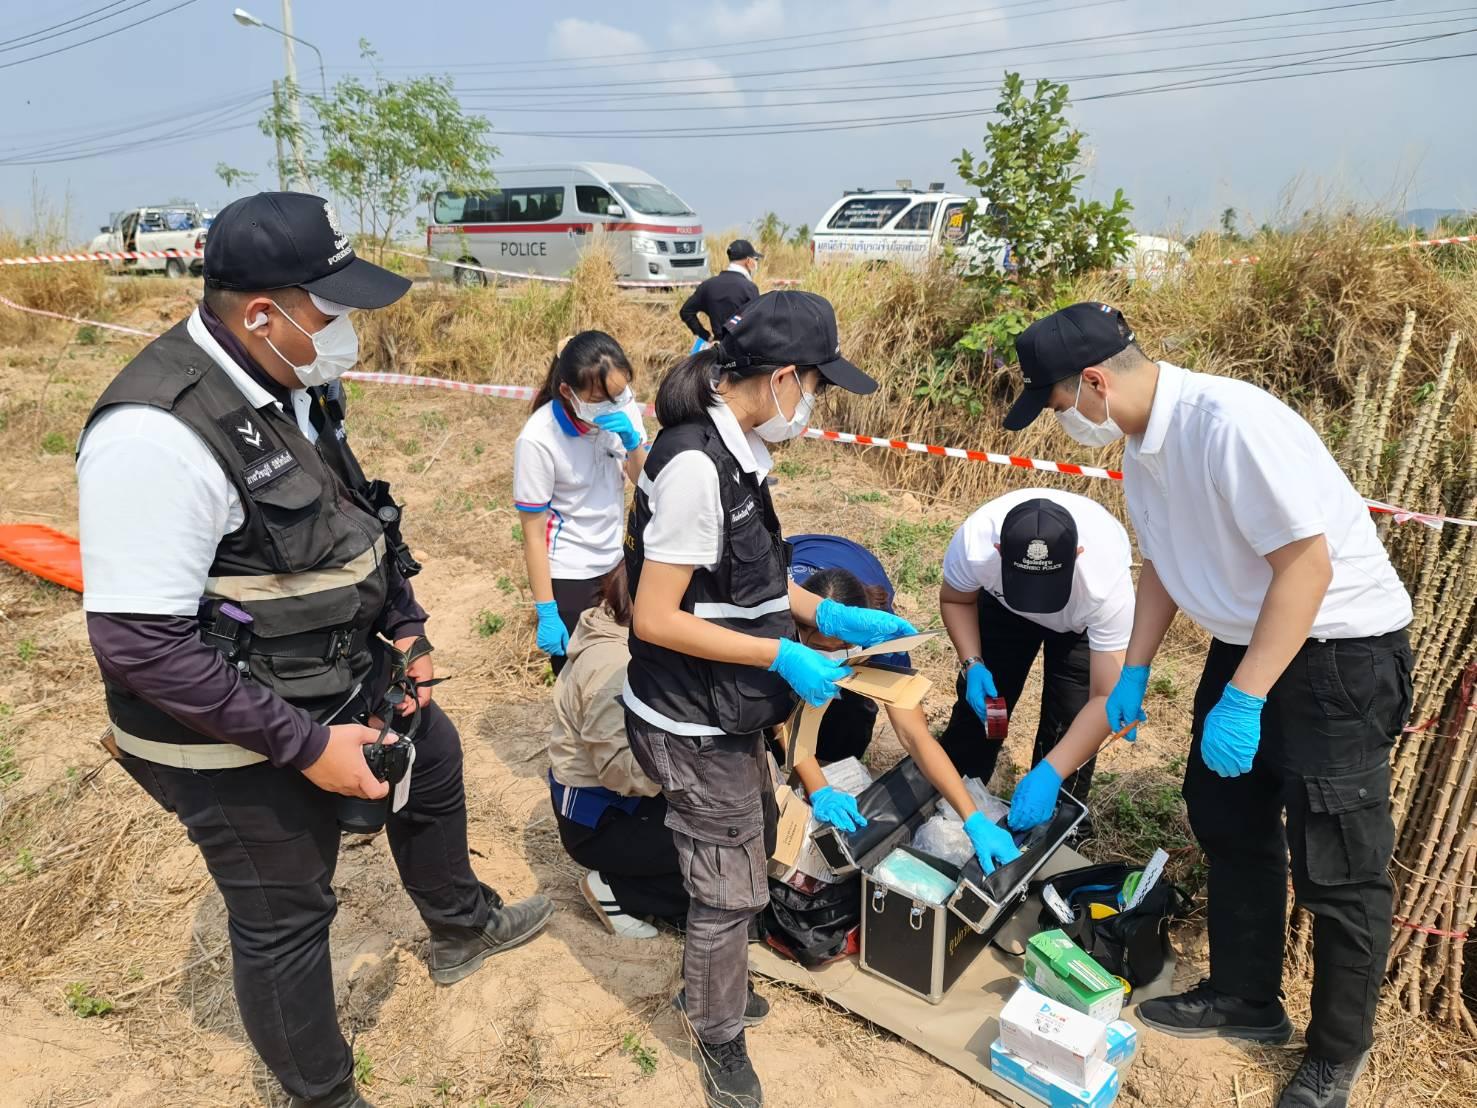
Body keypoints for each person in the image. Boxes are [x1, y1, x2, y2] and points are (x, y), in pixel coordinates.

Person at [75, 192, 554, 1108]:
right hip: (220, 728)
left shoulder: (292, 382)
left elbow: (351, 517)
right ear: (263, 314)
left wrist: (405, 625)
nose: (346, 332)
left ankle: (461, 928)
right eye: (331, 312)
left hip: (327, 668)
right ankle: (323, 1095)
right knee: (286, 910)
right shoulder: (155, 434)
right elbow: (140, 646)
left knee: (431, 758)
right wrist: (305, 749)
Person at [1000, 301, 1413, 1108]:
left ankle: (1335, 1054)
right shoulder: (1140, 447)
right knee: (1227, 820)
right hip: (1246, 642)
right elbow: (1163, 562)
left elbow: (1305, 569)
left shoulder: (1229, 426)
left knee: (1337, 868)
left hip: (1335, 653)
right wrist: (1134, 671)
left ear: (1093, 382)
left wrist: (1245, 697)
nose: (1060, 420)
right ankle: (1245, 997)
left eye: (1057, 404)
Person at [622, 291, 941, 1108]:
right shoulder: (695, 467)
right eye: (818, 387)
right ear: (783, 378)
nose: (814, 404)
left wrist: (824, 616)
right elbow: (654, 617)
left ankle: (717, 983)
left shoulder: (739, 457)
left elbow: (753, 582)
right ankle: (714, 1029)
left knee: (750, 843)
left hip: (728, 708)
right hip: (689, 718)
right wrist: (781, 653)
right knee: (727, 887)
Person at [786, 561, 1024, 877]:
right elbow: (775, 713)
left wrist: (973, 818)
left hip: (857, 571)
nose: (832, 656)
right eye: (819, 648)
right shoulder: (780, 623)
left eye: (844, 649)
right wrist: (819, 789)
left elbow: (915, 736)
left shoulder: (882, 639)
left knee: (849, 720)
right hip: (797, 586)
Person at [934, 489, 1136, 836]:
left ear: (1078, 554)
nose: (1037, 606)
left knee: (1070, 719)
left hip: (1079, 627)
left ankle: (1058, 824)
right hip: (1002, 609)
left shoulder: (1106, 582)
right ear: (999, 551)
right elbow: (956, 600)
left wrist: (1052, 771)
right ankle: (954, 801)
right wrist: (973, 663)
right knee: (984, 709)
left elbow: (1104, 696)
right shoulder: (975, 543)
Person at [549, 564, 688, 939]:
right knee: (714, 844)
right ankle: (618, 891)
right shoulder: (613, 665)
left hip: (623, 799)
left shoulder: (628, 633)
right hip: (600, 818)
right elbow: (618, 771)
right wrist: (689, 763)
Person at [514, 331, 648, 676]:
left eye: (620, 394)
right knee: (579, 679)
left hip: (617, 561)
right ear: (567, 392)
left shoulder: (622, 409)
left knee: (627, 668)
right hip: (570, 574)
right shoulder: (538, 439)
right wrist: (547, 610)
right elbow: (533, 534)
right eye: (600, 399)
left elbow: (643, 480)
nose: (613, 405)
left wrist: (633, 443)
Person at [678, 239, 761, 346]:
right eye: (755, 259)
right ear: (748, 261)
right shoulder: (749, 288)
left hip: (718, 348)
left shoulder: (708, 285)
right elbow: (757, 323)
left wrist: (705, 335)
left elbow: (686, 311)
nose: (756, 263)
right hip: (742, 348)